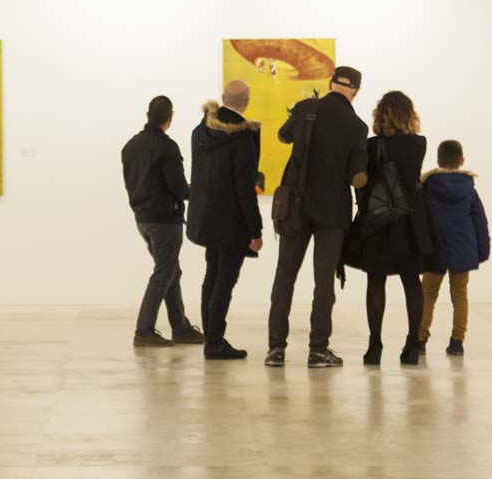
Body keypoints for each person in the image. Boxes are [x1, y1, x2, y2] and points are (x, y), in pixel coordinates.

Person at [266, 66, 369, 369]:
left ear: (329, 83)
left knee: (285, 275)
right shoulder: (357, 126)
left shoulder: (306, 108)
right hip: (332, 212)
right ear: (356, 91)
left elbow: (283, 136)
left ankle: (276, 349)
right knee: (323, 282)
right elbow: (357, 177)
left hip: (296, 207)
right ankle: (318, 350)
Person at [351, 91, 435, 367]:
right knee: (412, 281)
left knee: (376, 281)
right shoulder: (419, 144)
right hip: (410, 221)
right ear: (409, 115)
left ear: (381, 115)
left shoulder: (373, 145)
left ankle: (374, 345)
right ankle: (412, 345)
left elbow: (364, 180)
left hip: (380, 219)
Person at [186, 80, 263, 360]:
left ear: (222, 97)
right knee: (224, 282)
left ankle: (211, 336)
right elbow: (245, 189)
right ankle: (215, 341)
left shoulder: (200, 131)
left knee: (212, 275)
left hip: (206, 217)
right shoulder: (243, 139)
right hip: (231, 222)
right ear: (247, 101)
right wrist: (255, 230)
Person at [122, 95, 203, 347]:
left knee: (171, 271)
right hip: (165, 219)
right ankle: (143, 330)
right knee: (164, 272)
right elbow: (178, 188)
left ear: (148, 115)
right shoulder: (167, 147)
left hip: (142, 218)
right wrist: (200, 190)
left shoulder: (130, 146)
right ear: (170, 117)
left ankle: (180, 328)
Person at [419, 139, 491, 357]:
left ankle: (420, 340)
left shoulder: (427, 188)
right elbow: (480, 222)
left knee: (427, 294)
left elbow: (420, 220)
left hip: (435, 249)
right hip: (462, 250)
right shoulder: (469, 190)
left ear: (438, 160)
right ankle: (457, 342)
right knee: (459, 296)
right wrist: (482, 251)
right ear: (462, 160)